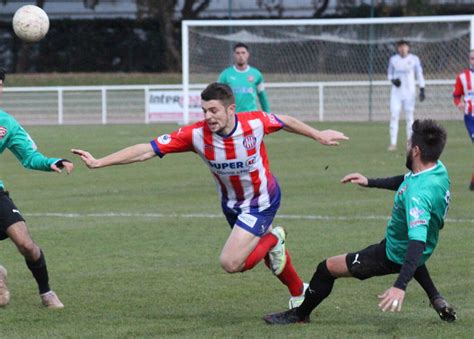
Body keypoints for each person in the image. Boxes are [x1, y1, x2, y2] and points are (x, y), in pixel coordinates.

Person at [72, 82, 348, 309]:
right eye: (204, 110)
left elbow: (284, 120)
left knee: (231, 262)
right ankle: (298, 289)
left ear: (231, 109)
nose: (208, 117)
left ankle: (275, 237)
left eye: (214, 110)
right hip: (231, 206)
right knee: (254, 251)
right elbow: (147, 149)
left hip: (261, 201)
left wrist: (317, 134)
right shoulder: (195, 135)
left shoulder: (254, 123)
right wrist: (100, 162)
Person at [263, 119, 457, 324]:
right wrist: (369, 182)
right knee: (413, 257)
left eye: (408, 144)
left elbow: (415, 244)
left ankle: (299, 314)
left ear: (416, 150)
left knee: (326, 269)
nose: (406, 147)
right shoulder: (437, 170)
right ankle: (437, 299)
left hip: (392, 253)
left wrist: (400, 286)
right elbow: (408, 180)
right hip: (421, 246)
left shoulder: (418, 194)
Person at [0, 68, 74, 308]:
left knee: (26, 245)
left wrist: (51, 161)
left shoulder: (7, 123)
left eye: (0, 84)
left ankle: (46, 292)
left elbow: (29, 156)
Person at [387, 40, 425, 151]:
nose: (402, 49)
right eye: (400, 47)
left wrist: (422, 89)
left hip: (410, 93)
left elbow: (419, 74)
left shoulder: (414, 59)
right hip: (396, 93)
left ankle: (410, 143)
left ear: (408, 48)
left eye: (404, 46)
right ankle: (393, 143)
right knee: (394, 115)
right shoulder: (393, 60)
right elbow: (389, 74)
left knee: (409, 117)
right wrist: (393, 81)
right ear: (398, 48)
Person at [218, 42, 271, 113]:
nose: (240, 56)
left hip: (251, 115)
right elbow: (218, 97)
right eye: (238, 53)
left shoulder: (256, 74)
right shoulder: (225, 75)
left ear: (248, 55)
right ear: (234, 55)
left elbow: (262, 97)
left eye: (243, 53)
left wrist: (268, 113)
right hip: (233, 116)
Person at [452, 49, 474, 190]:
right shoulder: (462, 77)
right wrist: (459, 104)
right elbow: (456, 95)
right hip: (471, 117)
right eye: (472, 58)